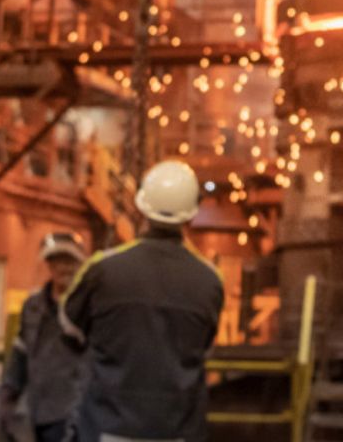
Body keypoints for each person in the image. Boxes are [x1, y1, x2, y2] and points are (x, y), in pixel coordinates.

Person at [61, 160, 223, 442]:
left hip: (106, 427)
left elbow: (69, 330)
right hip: (178, 430)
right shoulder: (209, 281)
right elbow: (204, 346)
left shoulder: (102, 270)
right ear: (190, 217)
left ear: (141, 208)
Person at [0, 232, 90, 442]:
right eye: (57, 261)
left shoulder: (89, 305)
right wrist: (9, 391)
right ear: (48, 264)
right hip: (39, 410)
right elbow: (22, 350)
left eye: (69, 261)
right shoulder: (33, 306)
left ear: (80, 264)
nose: (63, 268)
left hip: (75, 411)